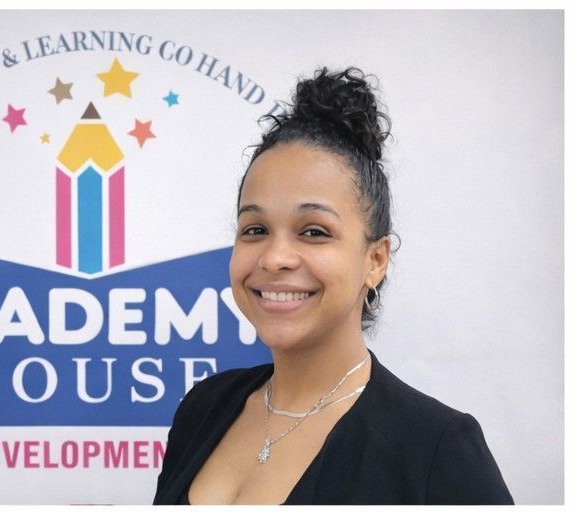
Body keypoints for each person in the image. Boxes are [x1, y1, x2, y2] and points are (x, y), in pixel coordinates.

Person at [153, 66, 514, 505]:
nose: (274, 257)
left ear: (375, 260)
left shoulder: (437, 449)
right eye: (255, 229)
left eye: (314, 231)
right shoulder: (203, 407)